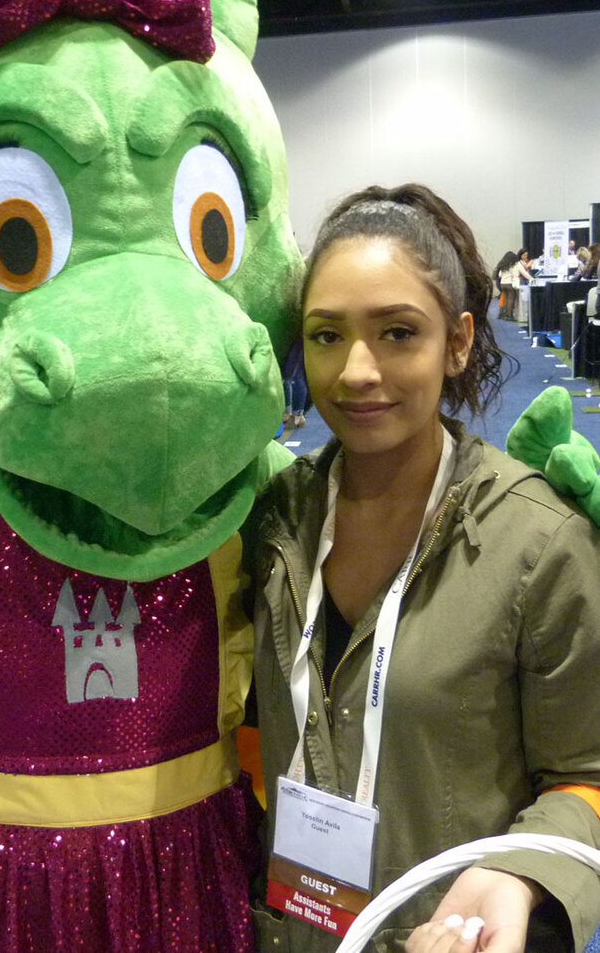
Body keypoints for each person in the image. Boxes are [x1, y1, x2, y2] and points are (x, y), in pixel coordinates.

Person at [248, 184, 600, 953]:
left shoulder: (538, 542)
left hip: (454, 935)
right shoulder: (272, 521)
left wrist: (522, 875)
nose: (356, 369)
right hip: (288, 931)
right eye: (327, 335)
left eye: (398, 332)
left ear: (459, 341)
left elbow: (588, 771)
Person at [494, 250, 531, 321]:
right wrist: (532, 279)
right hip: (510, 284)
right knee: (511, 300)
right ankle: (509, 315)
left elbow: (500, 275)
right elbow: (524, 273)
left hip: (502, 283)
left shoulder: (503, 266)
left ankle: (504, 314)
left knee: (506, 299)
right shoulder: (515, 265)